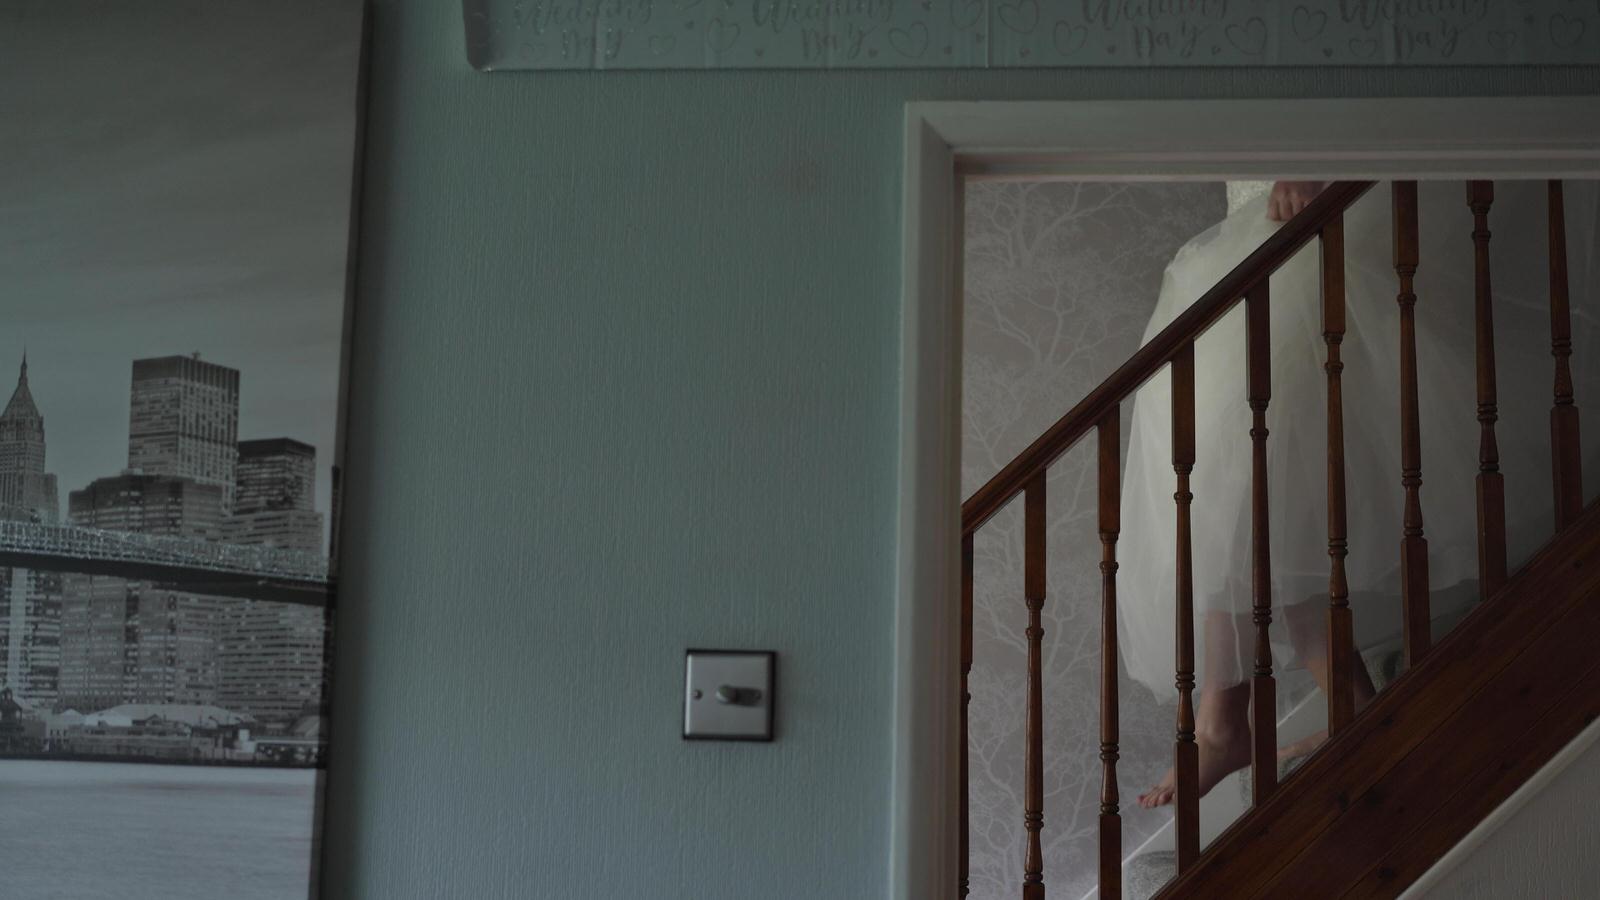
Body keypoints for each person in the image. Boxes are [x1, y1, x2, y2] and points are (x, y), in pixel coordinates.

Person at [1117, 179, 1600, 808]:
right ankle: (1255, 717)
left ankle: (1259, 719)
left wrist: (1303, 163)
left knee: (1260, 477)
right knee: (1237, 476)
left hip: (1313, 209)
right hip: (1252, 228)